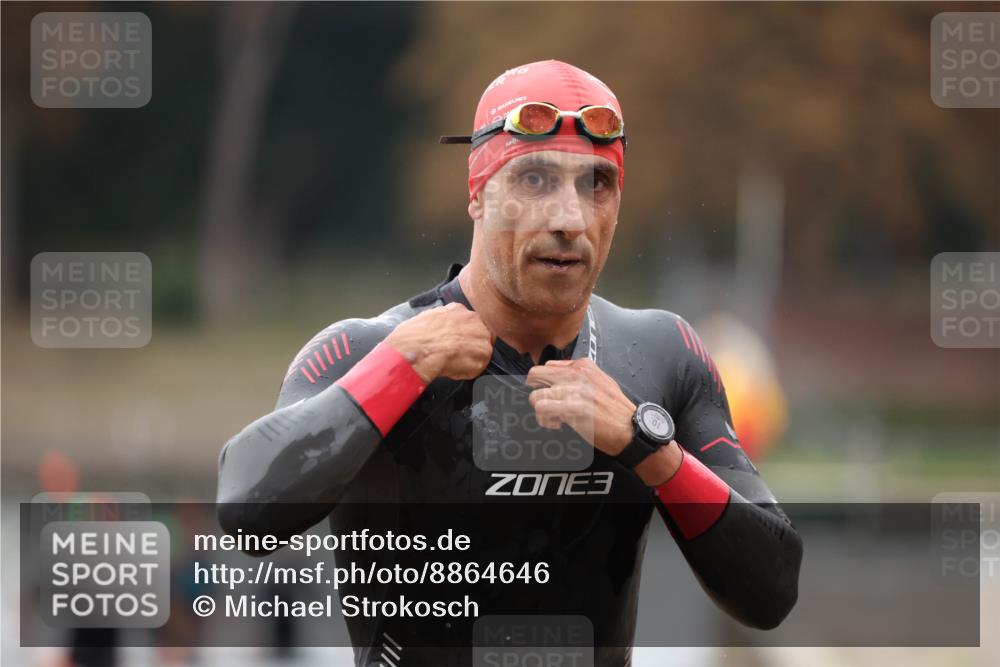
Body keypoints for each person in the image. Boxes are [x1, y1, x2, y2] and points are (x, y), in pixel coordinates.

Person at [217, 59, 802, 666]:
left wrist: (649, 449)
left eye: (596, 183)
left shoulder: (662, 354)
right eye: (534, 180)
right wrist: (398, 369)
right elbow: (245, 512)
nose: (569, 220)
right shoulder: (369, 349)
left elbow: (772, 589)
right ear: (477, 192)